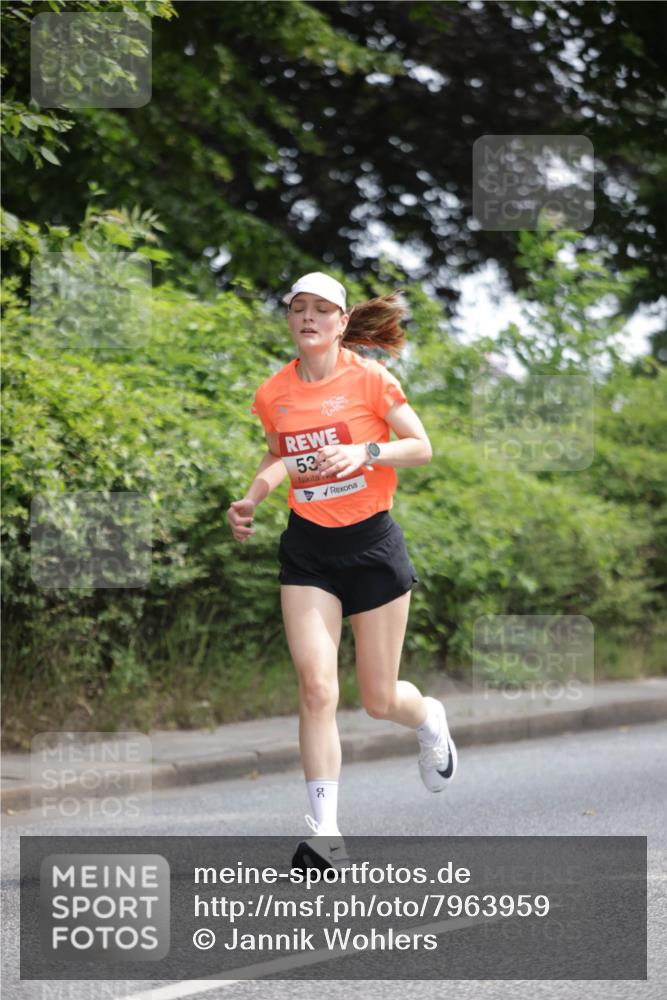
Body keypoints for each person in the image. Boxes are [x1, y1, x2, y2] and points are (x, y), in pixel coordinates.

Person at [227, 272, 457, 871]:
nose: (307, 318)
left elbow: (422, 446)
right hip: (308, 551)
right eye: (298, 309)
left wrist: (366, 451)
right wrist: (253, 496)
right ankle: (325, 833)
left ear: (341, 320)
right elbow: (281, 455)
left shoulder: (369, 378)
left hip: (372, 547)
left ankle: (428, 716)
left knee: (380, 699)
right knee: (317, 687)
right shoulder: (273, 392)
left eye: (320, 310)